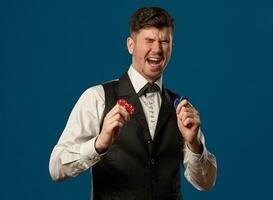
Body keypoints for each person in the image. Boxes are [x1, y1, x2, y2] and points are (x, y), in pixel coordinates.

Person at [49, 7, 217, 200]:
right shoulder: (97, 97)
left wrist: (194, 143)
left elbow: (206, 182)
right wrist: (98, 144)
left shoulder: (181, 107)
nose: (157, 49)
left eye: (164, 41)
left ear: (172, 47)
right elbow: (56, 167)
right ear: (131, 45)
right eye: (149, 40)